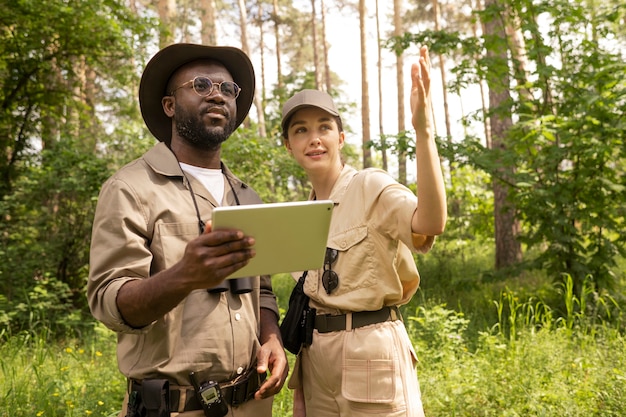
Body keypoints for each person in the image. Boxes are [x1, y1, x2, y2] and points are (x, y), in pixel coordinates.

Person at [87, 43, 288, 417]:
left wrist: (272, 337)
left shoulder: (248, 197)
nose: (217, 94)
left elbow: (262, 292)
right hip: (173, 407)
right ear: (169, 105)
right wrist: (185, 275)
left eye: (228, 89)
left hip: (253, 405)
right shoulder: (131, 188)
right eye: (200, 84)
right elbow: (108, 301)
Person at [280, 46, 447, 417]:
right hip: (316, 361)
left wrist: (424, 132)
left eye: (325, 127)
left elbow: (430, 222)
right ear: (289, 146)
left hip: (370, 355)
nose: (315, 138)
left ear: (341, 138)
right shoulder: (299, 215)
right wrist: (303, 383)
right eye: (301, 130)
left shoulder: (370, 186)